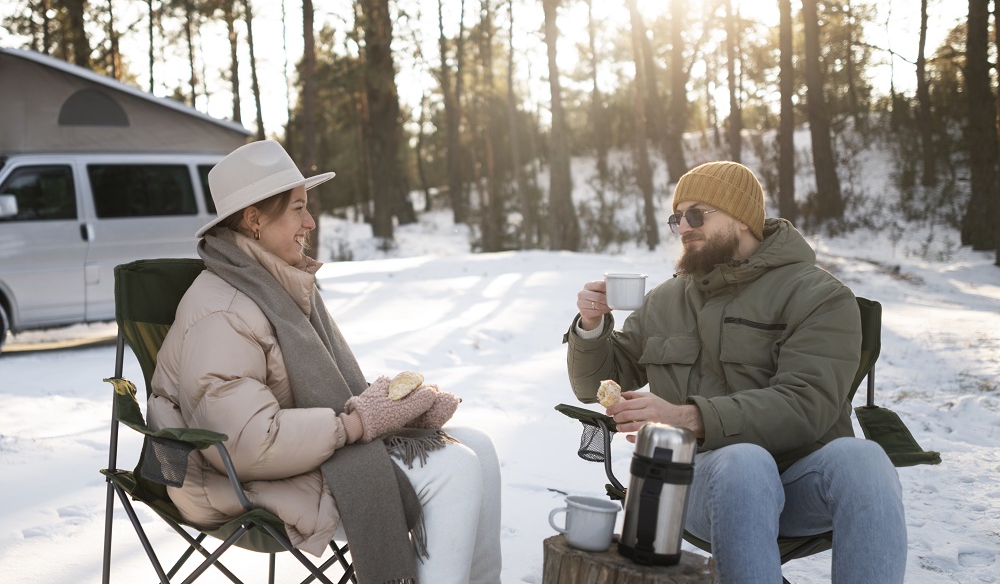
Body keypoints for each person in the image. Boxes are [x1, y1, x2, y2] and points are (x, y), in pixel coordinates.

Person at [147, 139, 502, 584]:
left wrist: (396, 414)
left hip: (295, 458)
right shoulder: (224, 309)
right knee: (455, 469)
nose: (310, 222)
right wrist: (357, 423)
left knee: (479, 449)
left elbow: (312, 392)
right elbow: (245, 445)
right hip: (238, 483)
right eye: (298, 208)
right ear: (254, 220)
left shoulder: (272, 285)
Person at [565, 161, 906, 583]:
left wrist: (686, 416)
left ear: (742, 217)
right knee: (744, 463)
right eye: (677, 218)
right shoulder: (666, 300)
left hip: (799, 483)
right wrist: (591, 326)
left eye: (697, 214)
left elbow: (806, 404)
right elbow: (591, 385)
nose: (684, 226)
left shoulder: (819, 296)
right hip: (693, 480)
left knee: (866, 462)